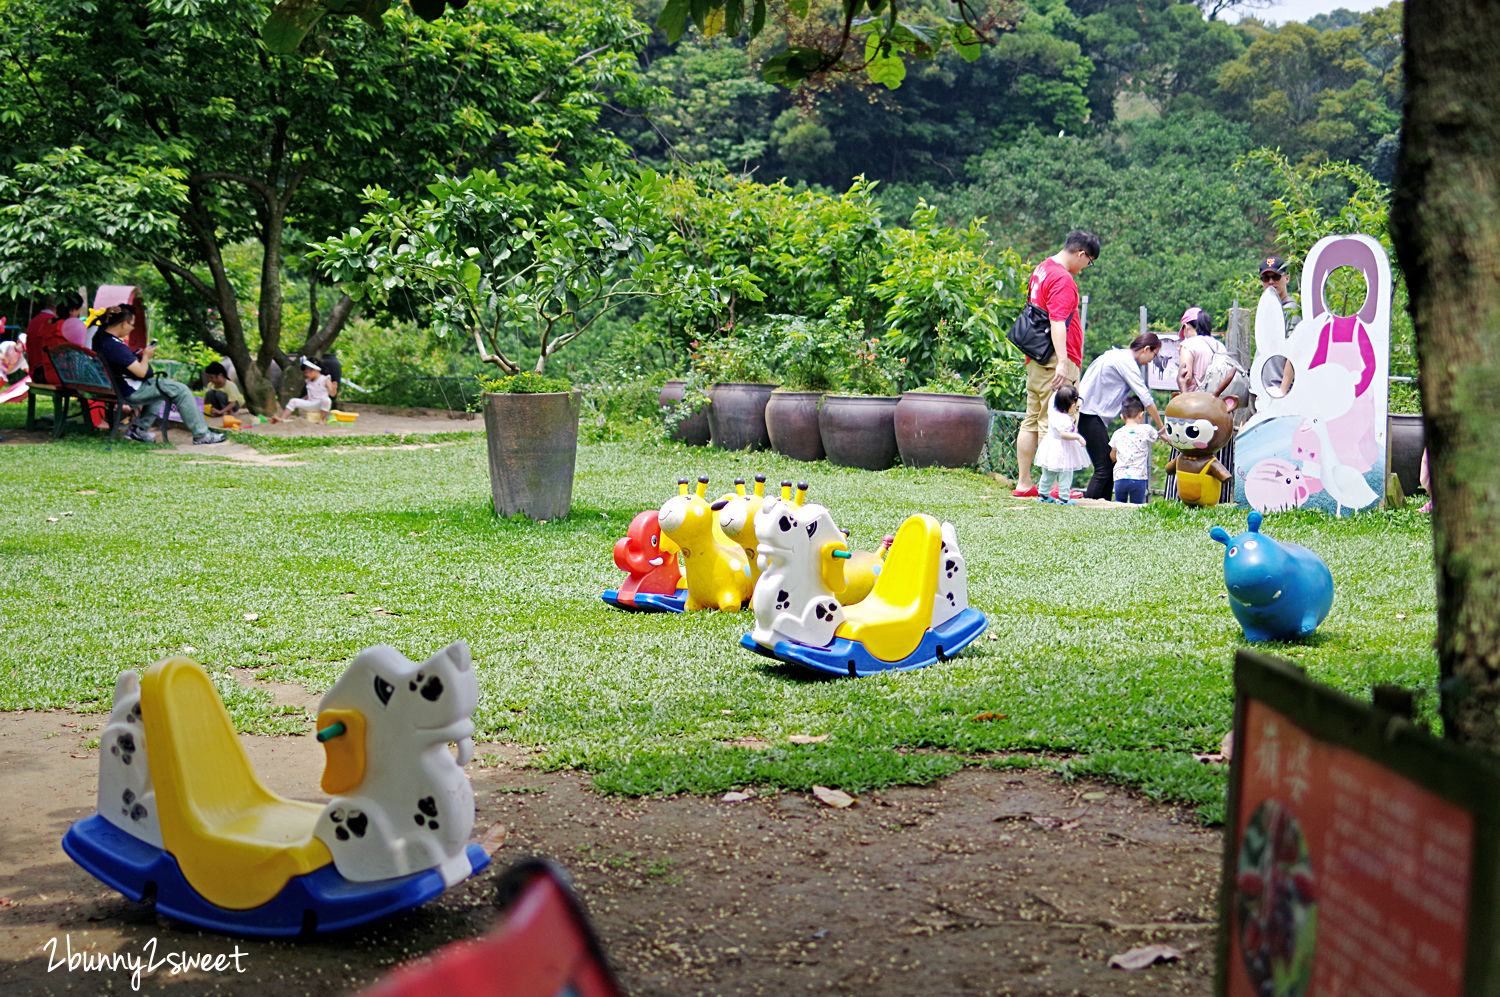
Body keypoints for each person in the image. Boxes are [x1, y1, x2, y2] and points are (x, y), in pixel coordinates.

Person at [1012, 230, 1100, 498]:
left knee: (1032, 418)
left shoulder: (1042, 268)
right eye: (1089, 262)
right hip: (1055, 357)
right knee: (1056, 421)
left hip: (1035, 356)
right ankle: (1053, 488)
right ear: (1081, 254)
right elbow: (1057, 321)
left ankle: (1025, 483)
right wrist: (1063, 362)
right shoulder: (1063, 279)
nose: (1085, 267)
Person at [90, 304, 226, 445]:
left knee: (162, 391)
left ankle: (139, 430)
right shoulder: (115, 346)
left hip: (115, 385)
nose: (132, 328)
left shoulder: (100, 338)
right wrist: (146, 356)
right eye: (132, 325)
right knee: (181, 390)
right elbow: (142, 373)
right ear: (124, 323)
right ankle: (201, 434)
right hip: (129, 390)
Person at [1076, 332, 1167, 500]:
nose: (1151, 361)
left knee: (1108, 465)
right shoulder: (1127, 362)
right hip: (1089, 414)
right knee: (1103, 468)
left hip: (1088, 413)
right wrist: (1161, 429)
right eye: (1153, 355)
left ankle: (1104, 507)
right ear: (1146, 349)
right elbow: (1146, 399)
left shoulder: (1117, 355)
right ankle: (1090, 508)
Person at [1034, 385, 1089, 505]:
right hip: (1063, 449)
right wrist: (1078, 437)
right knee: (1066, 473)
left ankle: (1043, 494)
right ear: (1071, 405)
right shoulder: (1064, 419)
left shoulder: (1052, 411)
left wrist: (1057, 391)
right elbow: (1064, 434)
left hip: (1050, 446)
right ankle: (1064, 497)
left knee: (1048, 472)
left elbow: (1053, 398)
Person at [1109, 397, 1158, 504]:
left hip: (1120, 477)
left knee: (1119, 506)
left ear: (1122, 417)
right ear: (1141, 415)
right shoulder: (1146, 429)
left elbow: (1113, 455)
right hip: (1139, 477)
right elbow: (1156, 436)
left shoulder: (1117, 433)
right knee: (1136, 506)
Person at [272, 358, 334, 422]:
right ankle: (282, 418)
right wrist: (303, 398)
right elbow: (312, 393)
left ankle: (321, 420)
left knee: (327, 400)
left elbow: (332, 394)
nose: (306, 375)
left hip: (320, 404)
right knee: (293, 401)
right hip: (310, 403)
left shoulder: (325, 379)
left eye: (307, 373)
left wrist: (333, 387)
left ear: (315, 370)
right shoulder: (309, 381)